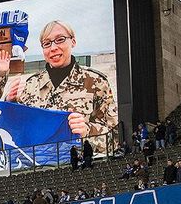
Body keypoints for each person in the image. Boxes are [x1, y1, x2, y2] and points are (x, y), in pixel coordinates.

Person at [10, 20, 118, 153]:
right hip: (38, 167)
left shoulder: (95, 82)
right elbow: (17, 133)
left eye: (60, 40)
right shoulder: (31, 85)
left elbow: (116, 139)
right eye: (47, 43)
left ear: (73, 41)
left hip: (78, 167)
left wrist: (87, 131)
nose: (53, 48)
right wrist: (10, 103)